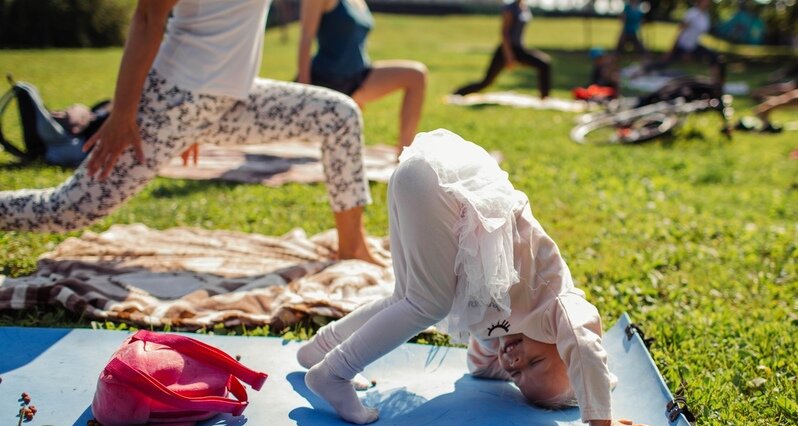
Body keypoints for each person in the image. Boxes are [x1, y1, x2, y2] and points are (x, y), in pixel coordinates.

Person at [297, 129, 659, 426]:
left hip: (418, 178)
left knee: (405, 298)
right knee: (427, 304)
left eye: (517, 375)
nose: (515, 362)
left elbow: (480, 365)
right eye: (534, 362)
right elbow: (584, 347)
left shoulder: (508, 335)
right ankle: (333, 373)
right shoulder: (559, 307)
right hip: (446, 184)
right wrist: (601, 421)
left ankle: (322, 347)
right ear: (559, 345)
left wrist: (506, 367)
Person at [0, 0, 380, 264]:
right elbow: (148, 19)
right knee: (68, 210)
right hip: (175, 100)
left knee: (338, 115)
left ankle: (352, 248)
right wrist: (123, 114)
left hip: (230, 99)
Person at [297, 0, 427, 153]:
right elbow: (306, 39)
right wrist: (304, 90)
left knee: (416, 75)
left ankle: (404, 154)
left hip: (359, 74)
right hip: (328, 78)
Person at [453, 0, 551, 100]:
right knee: (487, 82)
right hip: (507, 49)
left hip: (520, 49)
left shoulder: (525, 8)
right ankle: (458, 93)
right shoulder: (511, 8)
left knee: (544, 63)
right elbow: (505, 33)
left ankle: (544, 97)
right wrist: (509, 56)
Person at [649, 0, 724, 83]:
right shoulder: (692, 14)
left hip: (693, 45)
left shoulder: (705, 15)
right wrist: (671, 49)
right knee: (664, 63)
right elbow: (680, 31)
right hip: (682, 45)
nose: (707, 2)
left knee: (714, 57)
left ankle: (715, 80)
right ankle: (645, 69)